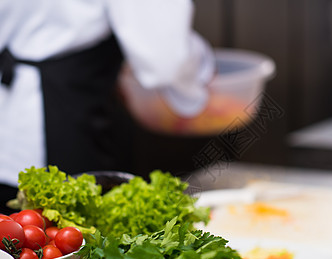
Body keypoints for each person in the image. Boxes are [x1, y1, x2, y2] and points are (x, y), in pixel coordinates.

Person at [0, 0, 216, 214]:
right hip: (67, 131)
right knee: (82, 237)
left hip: (10, 133)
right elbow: (164, 59)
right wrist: (200, 79)